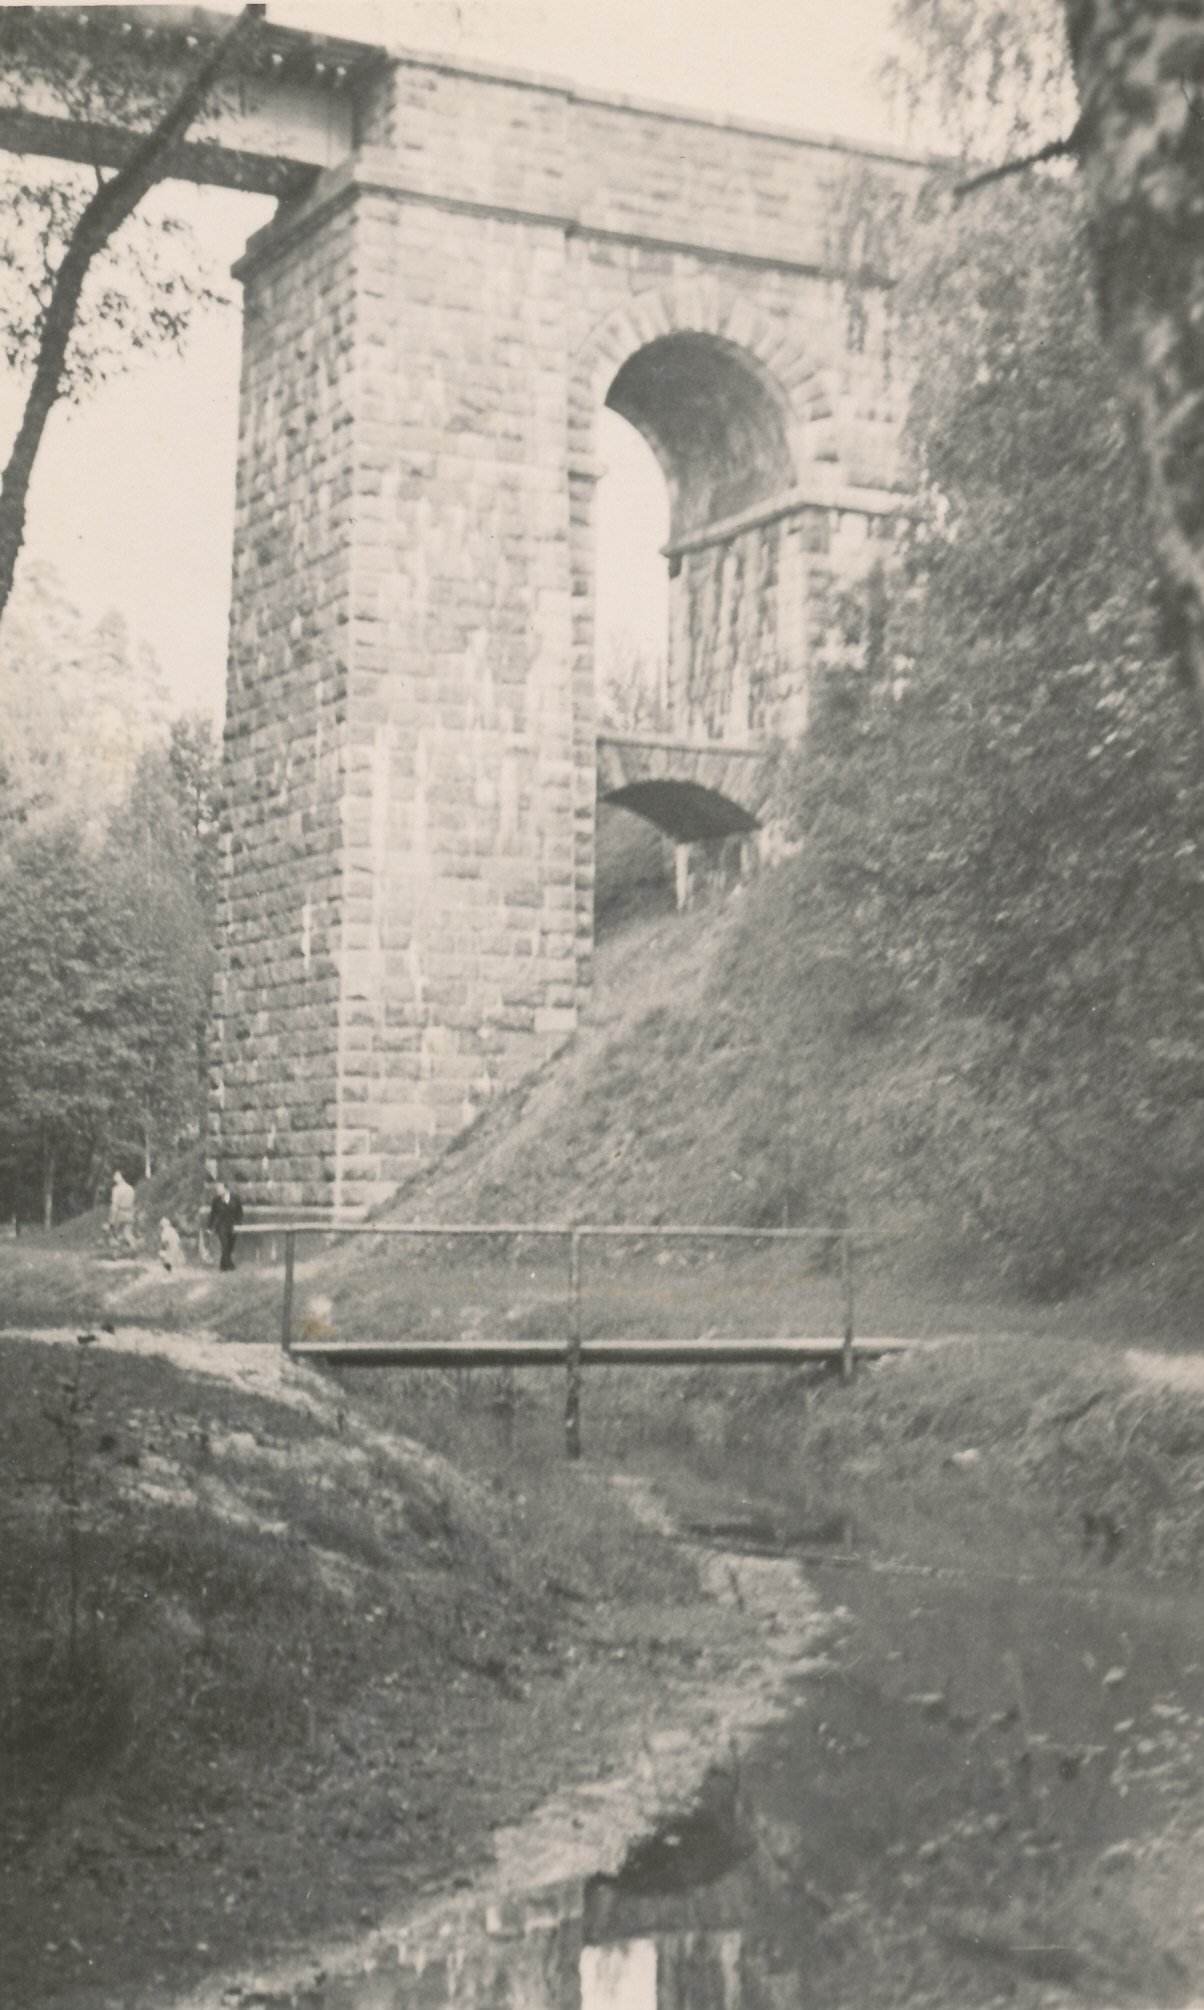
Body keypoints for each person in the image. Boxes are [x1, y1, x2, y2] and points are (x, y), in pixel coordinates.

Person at [207, 1182, 243, 1272]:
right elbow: (212, 1214)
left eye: (219, 1189)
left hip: (233, 1226)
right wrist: (209, 1227)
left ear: (226, 1189)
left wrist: (238, 1224)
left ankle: (226, 1266)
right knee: (224, 1245)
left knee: (230, 1247)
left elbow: (240, 1212)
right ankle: (226, 1267)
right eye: (217, 1190)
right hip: (221, 1226)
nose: (217, 1191)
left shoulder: (235, 1198)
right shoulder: (216, 1200)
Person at [108, 1170, 136, 1251]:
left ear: (121, 1177)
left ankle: (116, 1252)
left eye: (116, 1175)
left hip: (120, 1213)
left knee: (115, 1233)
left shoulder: (116, 1189)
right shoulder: (130, 1188)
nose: (114, 1177)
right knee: (128, 1233)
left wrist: (111, 1219)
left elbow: (114, 1204)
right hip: (130, 1213)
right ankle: (132, 1246)